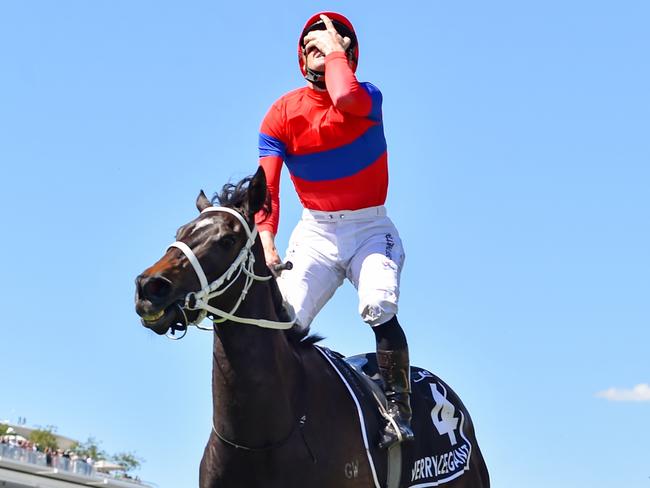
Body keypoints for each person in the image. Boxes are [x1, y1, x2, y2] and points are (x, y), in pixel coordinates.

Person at [255, 11, 414, 448]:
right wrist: (267, 237)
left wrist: (334, 50)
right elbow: (267, 187)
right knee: (285, 322)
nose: (317, 53)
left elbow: (344, 96)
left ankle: (399, 409)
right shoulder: (282, 114)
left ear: (347, 54)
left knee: (378, 303)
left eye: (327, 47)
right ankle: (285, 413)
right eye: (310, 47)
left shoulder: (367, 96)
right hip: (316, 232)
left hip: (369, 226)